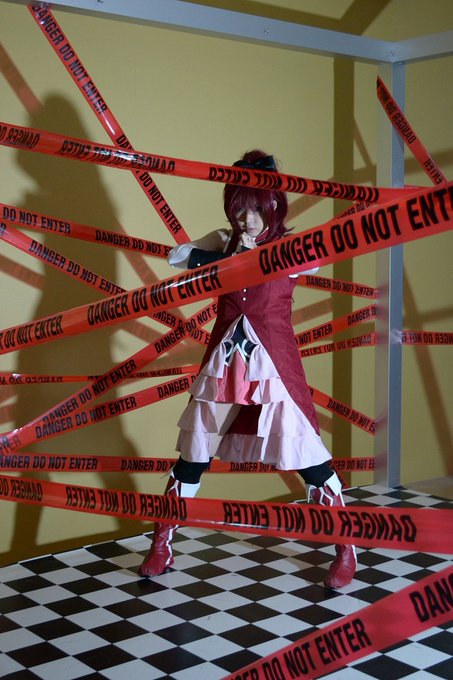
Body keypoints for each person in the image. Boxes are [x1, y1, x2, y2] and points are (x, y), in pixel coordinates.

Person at [139, 149, 356, 589]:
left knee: (307, 457)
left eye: (256, 208)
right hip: (225, 361)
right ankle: (162, 544)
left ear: (274, 204)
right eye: (239, 209)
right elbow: (178, 257)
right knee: (194, 453)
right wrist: (226, 257)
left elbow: (314, 258)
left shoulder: (292, 246)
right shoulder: (225, 239)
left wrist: (256, 256)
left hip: (273, 364)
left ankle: (347, 547)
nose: (247, 219)